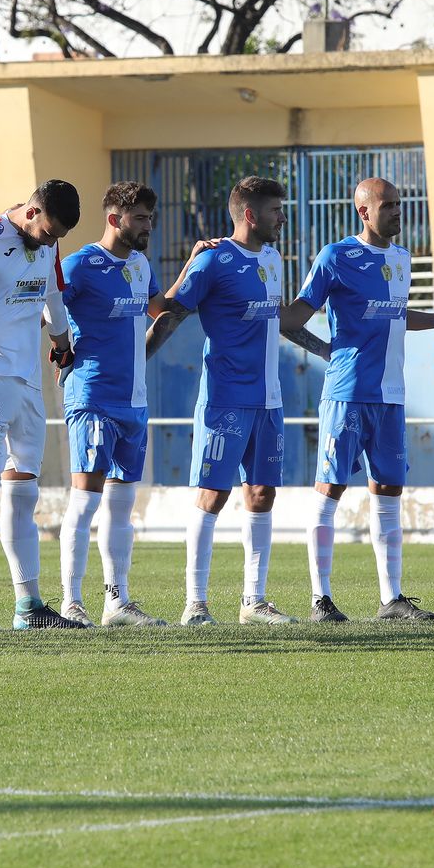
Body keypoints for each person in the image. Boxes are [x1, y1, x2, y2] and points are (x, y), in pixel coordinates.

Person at [147, 176, 329, 626]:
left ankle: (254, 601)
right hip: (225, 397)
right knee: (213, 494)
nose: (282, 218)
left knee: (262, 493)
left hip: (270, 400)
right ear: (250, 214)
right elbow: (170, 311)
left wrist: (327, 350)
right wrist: (139, 357)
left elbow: (279, 317)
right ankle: (196, 604)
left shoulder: (271, 257)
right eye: (275, 211)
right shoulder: (214, 260)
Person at [283, 177, 434, 622]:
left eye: (399, 203)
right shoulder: (336, 256)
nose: (397, 211)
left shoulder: (401, 258)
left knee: (388, 492)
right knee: (330, 491)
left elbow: (398, 315)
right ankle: (321, 600)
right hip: (348, 393)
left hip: (392, 396)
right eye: (388, 205)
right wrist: (321, 349)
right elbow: (296, 315)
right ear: (364, 211)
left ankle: (391, 599)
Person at [0, 180, 84, 631]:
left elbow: (52, 297)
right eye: (49, 231)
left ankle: (29, 606)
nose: (52, 242)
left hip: (27, 383)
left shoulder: (48, 248)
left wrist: (63, 344)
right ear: (31, 212)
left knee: (23, 493)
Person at [55, 181, 175, 628]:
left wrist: (193, 265)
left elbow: (160, 310)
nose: (149, 225)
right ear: (114, 219)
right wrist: (61, 350)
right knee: (85, 500)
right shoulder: (82, 265)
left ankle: (117, 603)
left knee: (122, 505)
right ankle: (71, 602)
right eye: (140, 218)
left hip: (134, 403)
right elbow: (47, 310)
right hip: (93, 397)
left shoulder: (141, 264)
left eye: (150, 217)